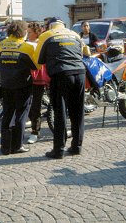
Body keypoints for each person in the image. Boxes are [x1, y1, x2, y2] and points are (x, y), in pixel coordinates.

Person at [34, 17, 86, 159]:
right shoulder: (75, 34)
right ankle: (77, 146)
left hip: (61, 74)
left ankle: (58, 150)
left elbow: (38, 59)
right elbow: (82, 53)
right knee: (78, 111)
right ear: (63, 25)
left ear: (50, 26)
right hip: (80, 72)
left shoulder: (46, 35)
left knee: (60, 111)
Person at [0, 20, 37, 154]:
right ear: (23, 31)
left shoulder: (0, 45)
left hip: (6, 84)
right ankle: (18, 145)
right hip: (23, 85)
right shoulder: (27, 47)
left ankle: (5, 147)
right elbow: (36, 66)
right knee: (21, 114)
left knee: (7, 113)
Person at [26, 22, 50, 144]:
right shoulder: (26, 43)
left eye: (29, 32)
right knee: (29, 104)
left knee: (36, 105)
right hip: (28, 76)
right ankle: (34, 124)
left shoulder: (41, 42)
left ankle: (35, 131)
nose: (27, 34)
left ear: (36, 33)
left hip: (39, 76)